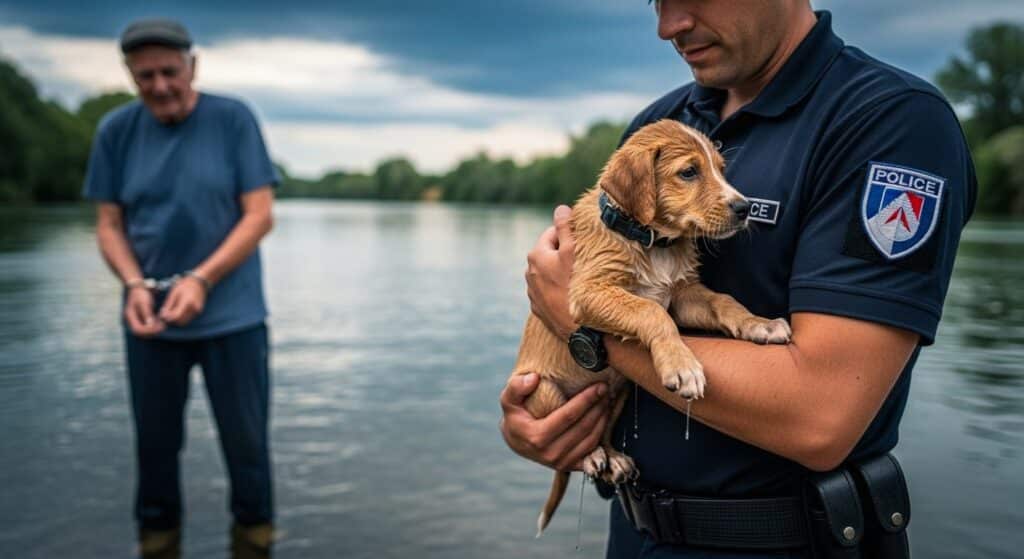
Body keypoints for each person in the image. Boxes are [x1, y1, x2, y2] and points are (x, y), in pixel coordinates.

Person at [499, 1, 976, 557]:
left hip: (787, 542)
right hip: (633, 530)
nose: (668, 26)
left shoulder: (889, 122)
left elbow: (821, 418)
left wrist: (586, 327)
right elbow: (606, 289)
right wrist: (538, 424)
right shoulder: (664, 122)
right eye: (657, 1)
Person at [83, 18, 279, 558]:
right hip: (149, 321)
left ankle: (255, 539)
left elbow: (259, 215)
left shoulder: (233, 119)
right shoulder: (115, 132)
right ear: (130, 75)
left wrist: (201, 278)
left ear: (192, 66)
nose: (160, 85)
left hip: (234, 320)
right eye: (145, 75)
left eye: (170, 71)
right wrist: (133, 284)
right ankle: (158, 541)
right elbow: (108, 223)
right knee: (155, 451)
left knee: (247, 450)